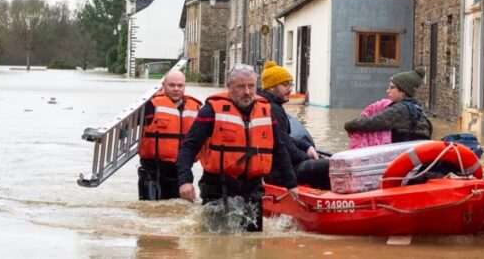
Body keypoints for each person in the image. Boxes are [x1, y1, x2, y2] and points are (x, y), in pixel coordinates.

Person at [176, 64, 298, 232]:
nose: (247, 92)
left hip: (252, 188)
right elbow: (189, 147)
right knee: (214, 244)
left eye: (251, 86)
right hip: (218, 188)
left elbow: (279, 148)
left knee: (252, 244)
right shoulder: (211, 110)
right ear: (229, 87)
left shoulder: (266, 111)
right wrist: (185, 181)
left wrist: (291, 183)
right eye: (241, 87)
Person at [259, 61, 331, 190]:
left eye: (291, 84)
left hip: (275, 170)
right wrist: (309, 159)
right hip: (281, 173)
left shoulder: (270, 105)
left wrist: (306, 145)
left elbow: (284, 138)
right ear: (271, 87)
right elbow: (285, 148)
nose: (290, 89)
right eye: (285, 85)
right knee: (332, 166)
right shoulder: (273, 109)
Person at [137, 69, 202, 201]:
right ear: (163, 85)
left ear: (185, 86)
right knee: (150, 212)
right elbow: (128, 124)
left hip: (181, 171)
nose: (176, 89)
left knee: (178, 213)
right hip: (152, 170)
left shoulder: (196, 108)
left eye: (180, 85)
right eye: (172, 85)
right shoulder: (150, 105)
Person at [344, 67, 432, 142]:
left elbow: (373, 122)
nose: (388, 90)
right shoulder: (417, 108)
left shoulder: (402, 109)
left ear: (403, 91)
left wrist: (349, 125)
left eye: (392, 87)